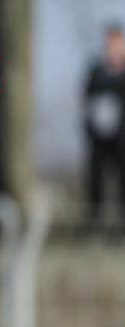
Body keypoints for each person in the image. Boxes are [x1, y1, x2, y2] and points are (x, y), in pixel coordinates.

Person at [84, 24, 125, 229]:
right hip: (99, 134)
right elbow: (86, 97)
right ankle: (95, 223)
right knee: (96, 178)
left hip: (121, 136)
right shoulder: (96, 70)